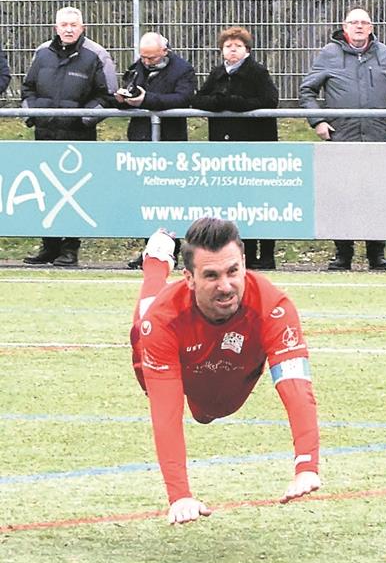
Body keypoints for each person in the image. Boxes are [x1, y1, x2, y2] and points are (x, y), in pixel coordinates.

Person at [130, 219, 321, 525]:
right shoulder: (163, 321)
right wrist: (179, 495)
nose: (226, 285)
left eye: (233, 271)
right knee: (143, 324)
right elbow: (165, 413)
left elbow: (296, 388)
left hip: (230, 375)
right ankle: (156, 262)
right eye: (211, 276)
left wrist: (306, 465)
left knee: (209, 411)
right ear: (189, 279)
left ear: (244, 264)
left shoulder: (275, 306)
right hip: (177, 357)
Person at [299, 6, 386, 272]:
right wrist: (319, 121)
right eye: (354, 23)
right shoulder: (329, 54)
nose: (359, 27)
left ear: (371, 28)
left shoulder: (383, 53)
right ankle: (343, 253)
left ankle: (376, 254)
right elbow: (307, 91)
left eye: (364, 23)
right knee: (342, 194)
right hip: (342, 137)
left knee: (377, 194)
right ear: (344, 27)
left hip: (377, 137)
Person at [20, 7, 113, 268]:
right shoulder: (42, 54)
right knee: (45, 191)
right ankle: (48, 247)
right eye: (64, 24)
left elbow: (105, 96)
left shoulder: (95, 56)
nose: (69, 29)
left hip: (78, 138)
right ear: (56, 27)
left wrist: (84, 119)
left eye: (74, 24)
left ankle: (70, 249)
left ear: (82, 28)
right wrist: (33, 115)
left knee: (74, 192)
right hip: (45, 134)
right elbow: (27, 88)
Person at [191, 27, 280, 270]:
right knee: (235, 203)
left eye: (238, 46)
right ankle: (245, 253)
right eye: (228, 46)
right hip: (224, 147)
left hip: (255, 145)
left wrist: (237, 104)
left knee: (260, 202)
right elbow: (199, 99)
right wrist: (218, 103)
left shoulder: (257, 72)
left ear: (247, 50)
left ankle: (268, 254)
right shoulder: (218, 73)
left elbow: (270, 100)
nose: (232, 50)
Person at [117, 32, 197, 269]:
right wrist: (122, 99)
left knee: (171, 199)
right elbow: (128, 88)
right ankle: (150, 250)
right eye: (143, 57)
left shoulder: (183, 70)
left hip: (169, 141)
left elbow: (183, 98)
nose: (147, 62)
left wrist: (147, 99)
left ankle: (175, 249)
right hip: (140, 138)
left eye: (151, 58)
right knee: (145, 199)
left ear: (165, 51)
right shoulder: (136, 67)